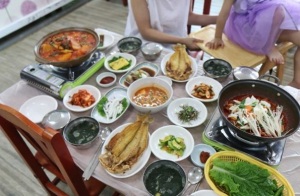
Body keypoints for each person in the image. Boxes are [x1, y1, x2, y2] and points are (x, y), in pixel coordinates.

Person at [205, 0, 300, 89]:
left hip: (268, 20)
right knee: (278, 12)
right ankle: (269, 46)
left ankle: (297, 81)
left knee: (280, 11)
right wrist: (217, 37)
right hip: (245, 27)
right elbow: (223, 14)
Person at [124, 0, 217, 51]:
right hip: (142, 46)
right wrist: (182, 41)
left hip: (177, 45)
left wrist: (220, 19)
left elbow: (188, 16)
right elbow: (146, 32)